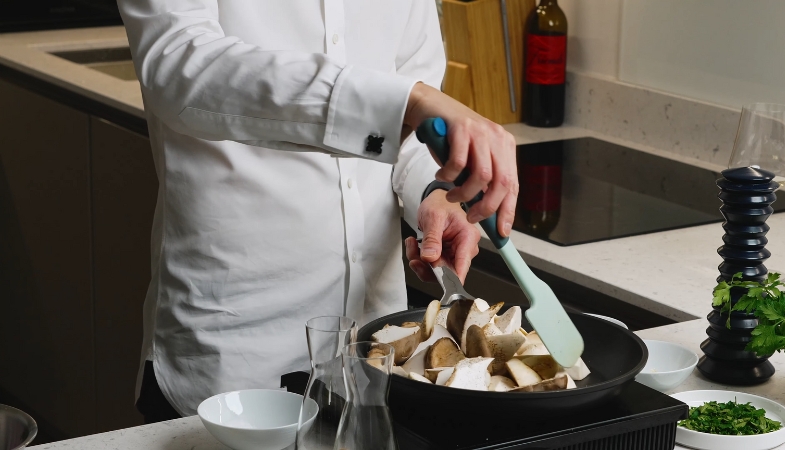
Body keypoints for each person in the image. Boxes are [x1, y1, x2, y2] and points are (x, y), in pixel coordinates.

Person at [117, 0, 518, 422]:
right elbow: (181, 69)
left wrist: (435, 190)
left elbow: (414, 119)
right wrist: (404, 102)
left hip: (377, 354)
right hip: (234, 355)